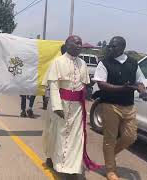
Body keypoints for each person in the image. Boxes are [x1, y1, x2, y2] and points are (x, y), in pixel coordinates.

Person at [93, 36, 147, 180]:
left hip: (129, 106)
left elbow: (139, 82)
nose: (110, 48)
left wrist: (143, 92)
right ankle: (110, 170)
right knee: (110, 138)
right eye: (109, 46)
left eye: (114, 46)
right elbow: (101, 84)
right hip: (110, 105)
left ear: (122, 47)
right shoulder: (104, 62)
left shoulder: (133, 63)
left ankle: (110, 154)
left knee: (130, 136)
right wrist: (122, 88)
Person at [42, 36, 101, 175]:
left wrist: (87, 94)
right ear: (68, 45)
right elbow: (54, 85)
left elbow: (84, 85)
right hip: (60, 104)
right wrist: (57, 107)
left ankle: (72, 168)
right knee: (57, 134)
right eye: (77, 43)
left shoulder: (83, 63)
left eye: (81, 43)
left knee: (75, 137)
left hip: (76, 108)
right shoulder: (58, 62)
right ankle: (54, 159)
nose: (80, 46)